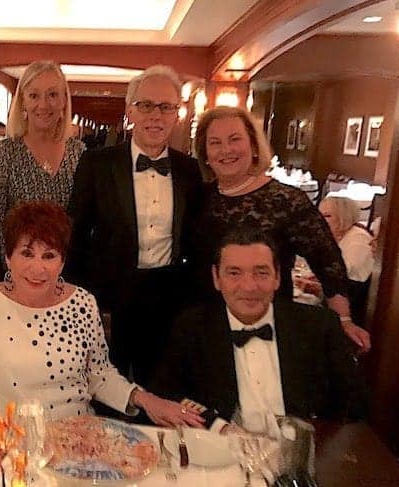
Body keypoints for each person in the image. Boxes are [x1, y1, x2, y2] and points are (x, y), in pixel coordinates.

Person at [0, 200, 204, 429]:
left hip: (78, 441)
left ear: (62, 260)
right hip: (11, 447)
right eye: (27, 254)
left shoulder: (83, 303)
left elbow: (99, 376)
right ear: (8, 257)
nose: (38, 268)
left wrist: (147, 400)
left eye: (49, 256)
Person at [192, 105, 370, 353]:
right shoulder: (199, 197)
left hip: (267, 324)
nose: (226, 150)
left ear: (253, 146)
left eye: (235, 139)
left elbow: (327, 260)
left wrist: (344, 319)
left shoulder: (286, 199)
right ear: (205, 154)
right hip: (204, 326)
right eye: (215, 143)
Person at [66, 65, 202, 387]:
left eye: (166, 107)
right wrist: (83, 300)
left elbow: (196, 239)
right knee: (105, 385)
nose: (156, 115)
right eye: (146, 105)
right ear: (131, 112)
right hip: (112, 296)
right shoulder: (97, 163)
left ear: (177, 114)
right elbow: (75, 234)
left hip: (168, 296)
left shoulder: (190, 170)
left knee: (159, 387)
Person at [150, 228, 367, 429]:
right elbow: (167, 395)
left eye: (261, 273)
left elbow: (352, 404)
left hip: (302, 455)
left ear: (277, 277)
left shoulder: (319, 326)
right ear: (217, 278)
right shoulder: (192, 327)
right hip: (220, 453)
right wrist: (217, 427)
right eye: (234, 273)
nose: (249, 287)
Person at [0, 60, 85, 258]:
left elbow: (85, 223)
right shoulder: (5, 153)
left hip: (69, 269)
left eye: (52, 95)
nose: (43, 104)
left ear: (64, 101)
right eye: (34, 95)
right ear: (23, 101)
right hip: (16, 270)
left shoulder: (79, 153)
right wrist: (12, 269)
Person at [306, 196, 374, 326]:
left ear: (344, 216)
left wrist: (317, 281)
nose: (320, 221)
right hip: (343, 297)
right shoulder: (338, 236)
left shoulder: (358, 238)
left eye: (327, 216)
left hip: (354, 310)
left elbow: (344, 274)